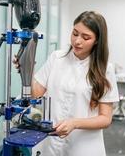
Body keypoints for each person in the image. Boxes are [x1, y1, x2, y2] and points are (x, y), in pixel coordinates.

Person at [14, 11, 119, 156]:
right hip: (50, 144)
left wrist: (75, 123)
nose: (77, 41)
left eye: (86, 37)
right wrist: (27, 69)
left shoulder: (105, 69)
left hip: (84, 147)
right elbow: (36, 93)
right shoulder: (57, 58)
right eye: (75, 33)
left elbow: (105, 119)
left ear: (96, 40)